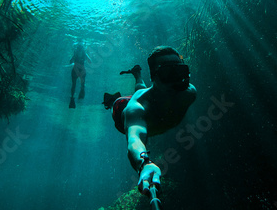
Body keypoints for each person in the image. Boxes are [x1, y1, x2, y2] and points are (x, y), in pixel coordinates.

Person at [103, 46, 196, 196]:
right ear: (154, 77)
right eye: (167, 73)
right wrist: (144, 164)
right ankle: (111, 101)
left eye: (180, 71)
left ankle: (137, 74)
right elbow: (134, 139)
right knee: (119, 104)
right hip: (123, 108)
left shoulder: (189, 93)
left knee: (141, 88)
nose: (176, 79)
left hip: (149, 96)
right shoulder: (136, 109)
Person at [69, 42, 91, 108]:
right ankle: (81, 93)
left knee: (74, 85)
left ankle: (72, 98)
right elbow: (90, 61)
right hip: (82, 69)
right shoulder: (84, 53)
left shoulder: (75, 53)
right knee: (82, 84)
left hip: (75, 69)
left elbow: (70, 61)